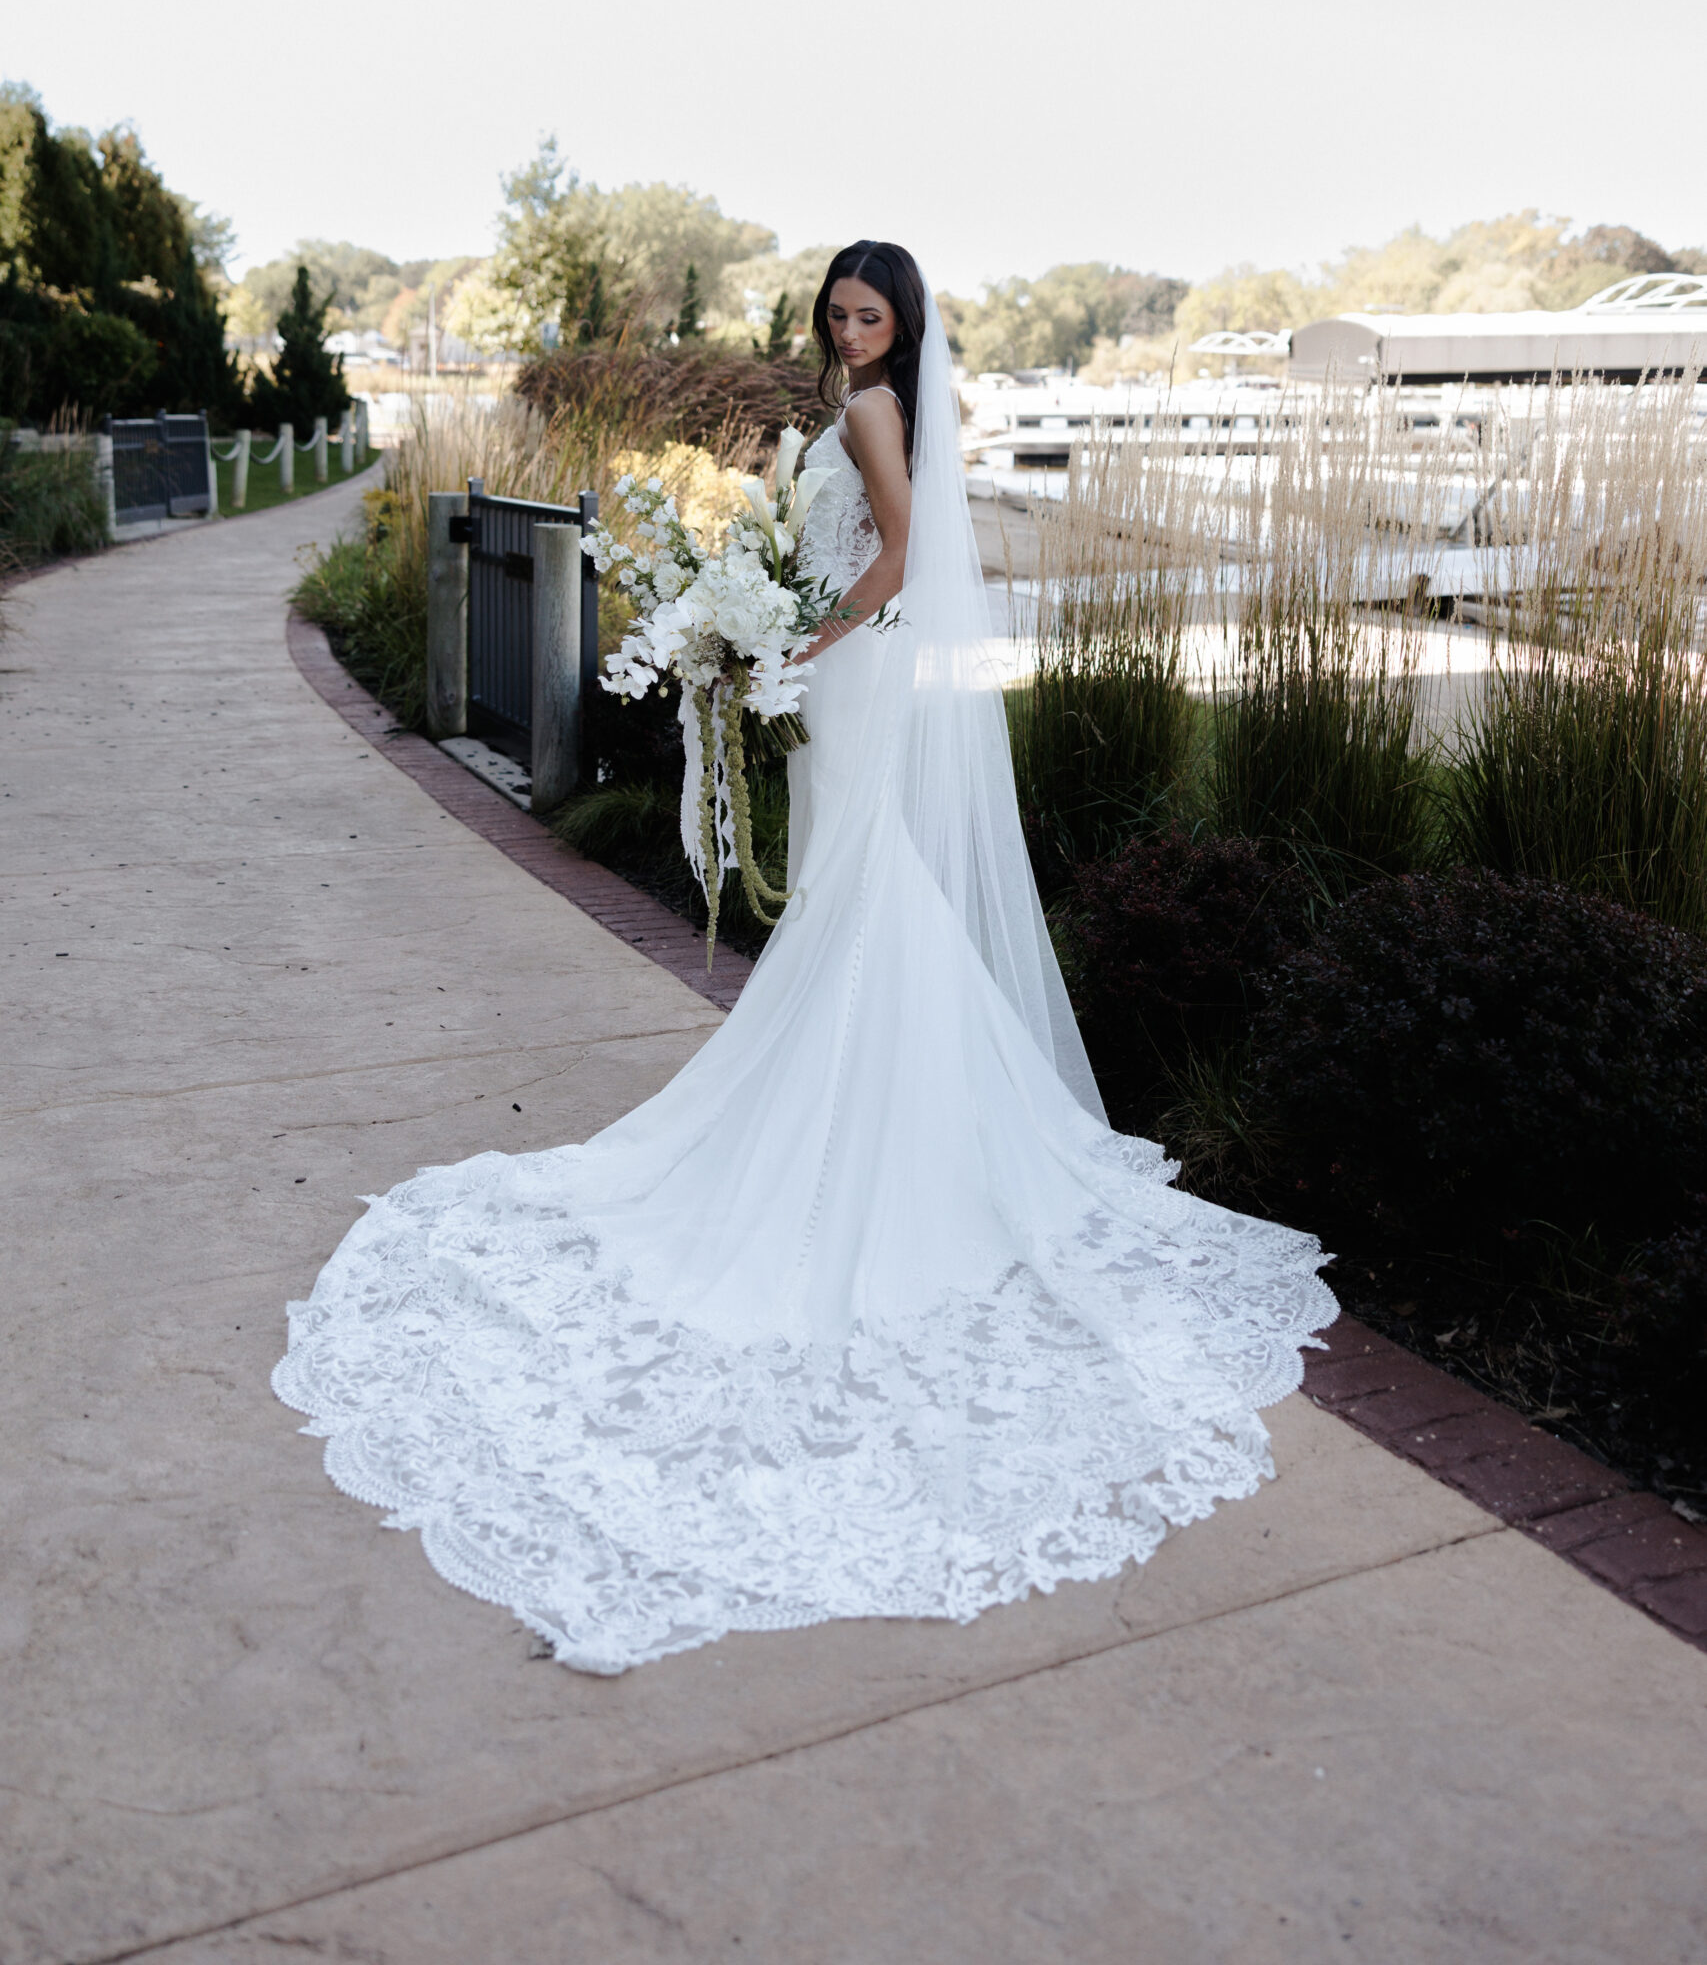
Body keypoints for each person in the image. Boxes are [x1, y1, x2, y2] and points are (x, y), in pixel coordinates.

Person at [276, 240, 1334, 1674]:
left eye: (868, 314)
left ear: (903, 329)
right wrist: (757, 622)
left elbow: (896, 558)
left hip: (852, 673)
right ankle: (911, 1106)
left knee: (859, 885)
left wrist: (799, 643)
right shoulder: (860, 407)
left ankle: (880, 1118)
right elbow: (865, 552)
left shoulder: (875, 416)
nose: (846, 331)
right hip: (841, 672)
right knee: (859, 884)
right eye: (836, 311)